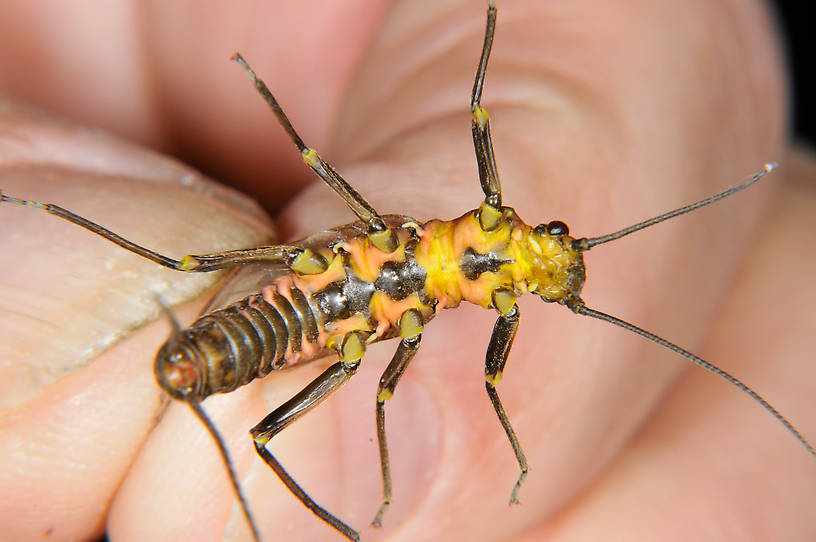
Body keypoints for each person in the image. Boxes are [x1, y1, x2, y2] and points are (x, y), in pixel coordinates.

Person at [1, 1, 814, 540]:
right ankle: (41, 211)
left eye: (542, 272)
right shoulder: (495, 266)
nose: (541, 253)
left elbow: (473, 382)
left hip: (320, 310)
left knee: (343, 390)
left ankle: (333, 523)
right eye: (554, 243)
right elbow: (474, 109)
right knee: (199, 263)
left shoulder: (492, 274)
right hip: (322, 298)